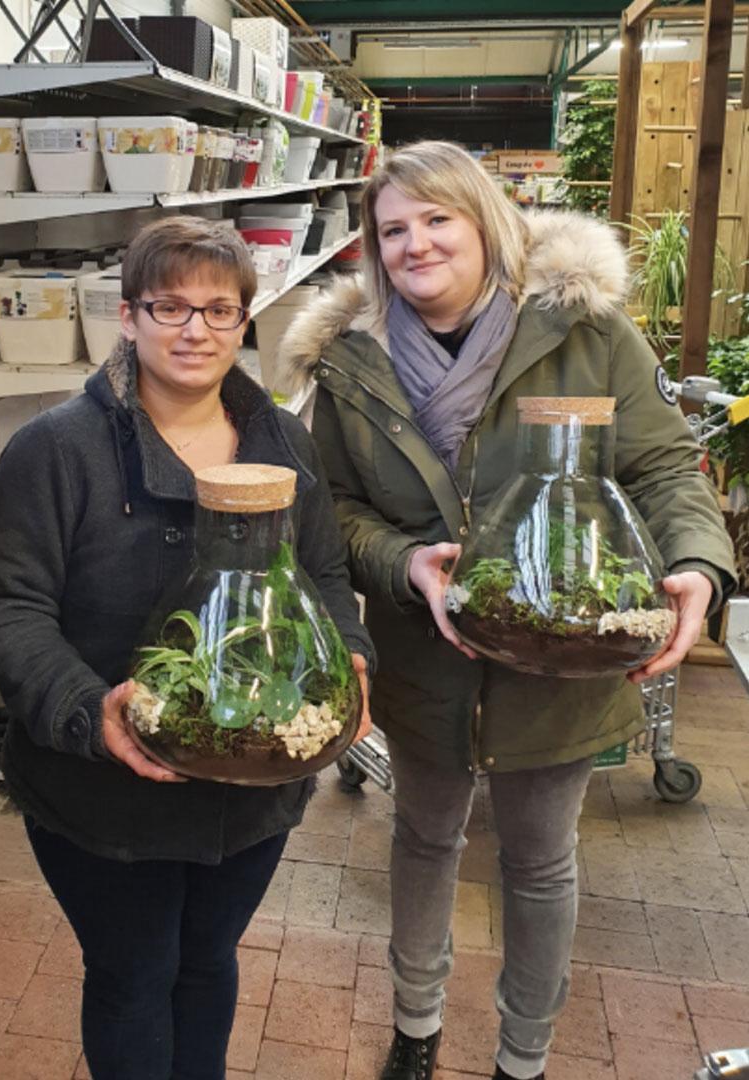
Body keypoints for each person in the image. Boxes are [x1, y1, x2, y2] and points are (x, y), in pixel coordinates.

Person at [277, 140, 736, 1080]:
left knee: (539, 861)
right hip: (423, 656)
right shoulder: (349, 364)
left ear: (486, 221)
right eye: (393, 229)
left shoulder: (586, 332)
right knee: (425, 835)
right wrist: (407, 565)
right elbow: (338, 510)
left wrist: (696, 562)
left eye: (438, 218)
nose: (416, 245)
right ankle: (416, 1025)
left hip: (565, 651)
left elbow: (657, 467)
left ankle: (523, 1056)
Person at [0, 216, 374, 1080]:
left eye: (220, 310)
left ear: (244, 321)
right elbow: (10, 609)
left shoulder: (282, 444)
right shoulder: (57, 451)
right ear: (127, 318)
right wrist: (90, 711)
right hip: (104, 792)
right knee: (132, 973)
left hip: (254, 787)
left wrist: (348, 659)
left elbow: (326, 573)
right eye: (170, 307)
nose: (196, 330)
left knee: (207, 962)